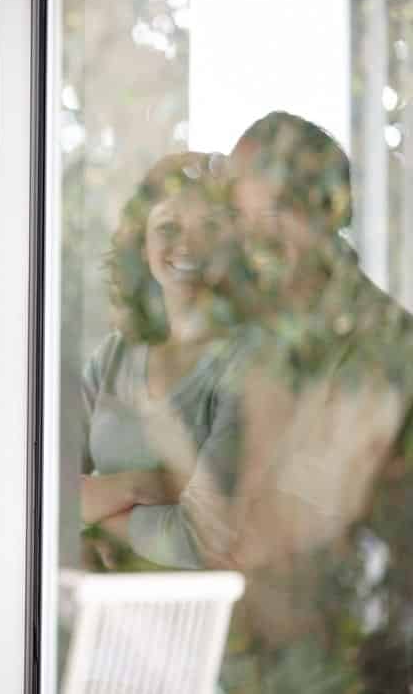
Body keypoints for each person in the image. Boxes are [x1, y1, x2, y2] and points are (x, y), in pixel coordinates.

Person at [181, 111, 413, 692]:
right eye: (241, 216)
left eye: (275, 213)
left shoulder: (376, 348)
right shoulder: (255, 342)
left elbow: (273, 534)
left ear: (322, 216)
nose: (252, 240)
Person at [76, 151, 249, 570]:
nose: (188, 245)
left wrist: (99, 521)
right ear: (142, 240)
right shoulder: (114, 356)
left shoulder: (245, 363)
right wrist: (144, 486)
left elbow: (204, 539)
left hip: (212, 626)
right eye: (168, 226)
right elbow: (44, 498)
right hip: (105, 621)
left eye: (209, 226)